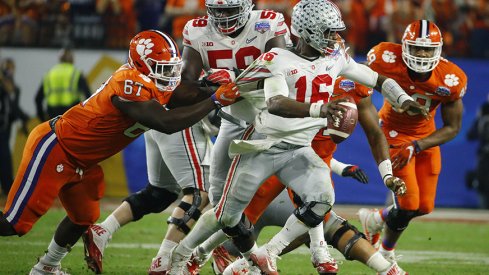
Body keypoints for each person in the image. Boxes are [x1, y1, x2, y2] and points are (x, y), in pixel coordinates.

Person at [169, 0, 428, 273]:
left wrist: (402, 98)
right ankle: (182, 253)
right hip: (263, 146)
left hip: (299, 150)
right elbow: (276, 103)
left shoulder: (335, 57)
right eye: (328, 31)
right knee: (227, 216)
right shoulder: (276, 58)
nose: (335, 38)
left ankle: (271, 250)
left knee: (322, 198)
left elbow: (375, 78)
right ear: (308, 30)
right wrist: (320, 109)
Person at [0, 30, 239, 275]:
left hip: (84, 161)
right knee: (13, 224)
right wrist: (215, 99)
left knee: (84, 217)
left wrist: (209, 87)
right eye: (161, 68)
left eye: (171, 68)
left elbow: (180, 94)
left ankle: (46, 268)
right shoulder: (129, 82)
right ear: (141, 65)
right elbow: (166, 123)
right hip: (58, 148)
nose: (169, 75)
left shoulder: (151, 80)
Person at [82, 1, 291, 274]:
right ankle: (171, 260)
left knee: (161, 193)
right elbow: (185, 88)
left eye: (230, 10)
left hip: (216, 117)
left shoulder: (268, 23)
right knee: (204, 194)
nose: (224, 17)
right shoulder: (197, 32)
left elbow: (285, 73)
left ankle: (104, 232)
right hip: (186, 120)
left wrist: (230, 79)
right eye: (219, 10)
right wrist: (215, 93)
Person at [217, 77, 409, 275]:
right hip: (276, 160)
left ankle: (382, 268)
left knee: (322, 217)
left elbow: (375, 127)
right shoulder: (292, 71)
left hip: (306, 167)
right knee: (230, 225)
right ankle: (208, 254)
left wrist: (384, 174)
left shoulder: (353, 82)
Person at [358, 19, 467, 265]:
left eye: (427, 49)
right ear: (404, 45)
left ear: (438, 50)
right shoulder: (384, 57)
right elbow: (360, 84)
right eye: (416, 47)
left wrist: (418, 145)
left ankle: (375, 220)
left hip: (425, 139)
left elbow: (453, 127)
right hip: (392, 134)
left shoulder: (450, 77)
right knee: (408, 205)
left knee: (425, 206)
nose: (421, 54)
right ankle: (386, 253)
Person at [34, 47, 92, 122]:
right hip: (71, 115)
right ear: (72, 59)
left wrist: (42, 119)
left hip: (52, 116)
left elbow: (38, 99)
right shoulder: (76, 73)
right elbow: (89, 97)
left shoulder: (49, 74)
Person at [0, 57, 29, 196]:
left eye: (11, 67)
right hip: (2, 126)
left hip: (6, 127)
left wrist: (23, 119)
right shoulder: (3, 88)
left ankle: (7, 187)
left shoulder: (15, 89)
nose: (9, 70)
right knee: (4, 156)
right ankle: (7, 187)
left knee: (5, 155)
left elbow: (14, 109)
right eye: (7, 67)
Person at [467, 96, 489, 209]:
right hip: (484, 156)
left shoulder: (482, 116)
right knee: (482, 183)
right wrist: (478, 119)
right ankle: (484, 213)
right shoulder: (483, 115)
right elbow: (470, 135)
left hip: (484, 155)